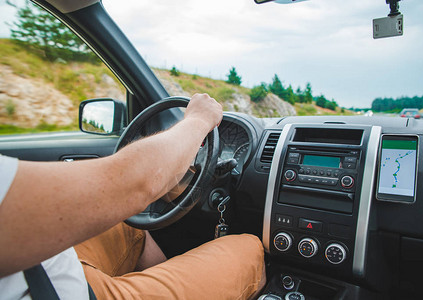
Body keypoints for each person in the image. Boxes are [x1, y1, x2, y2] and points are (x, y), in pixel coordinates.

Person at [0, 93, 266, 299]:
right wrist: (198, 120)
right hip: (66, 292)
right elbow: (136, 183)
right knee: (248, 248)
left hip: (37, 270)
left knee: (126, 226)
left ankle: (169, 280)